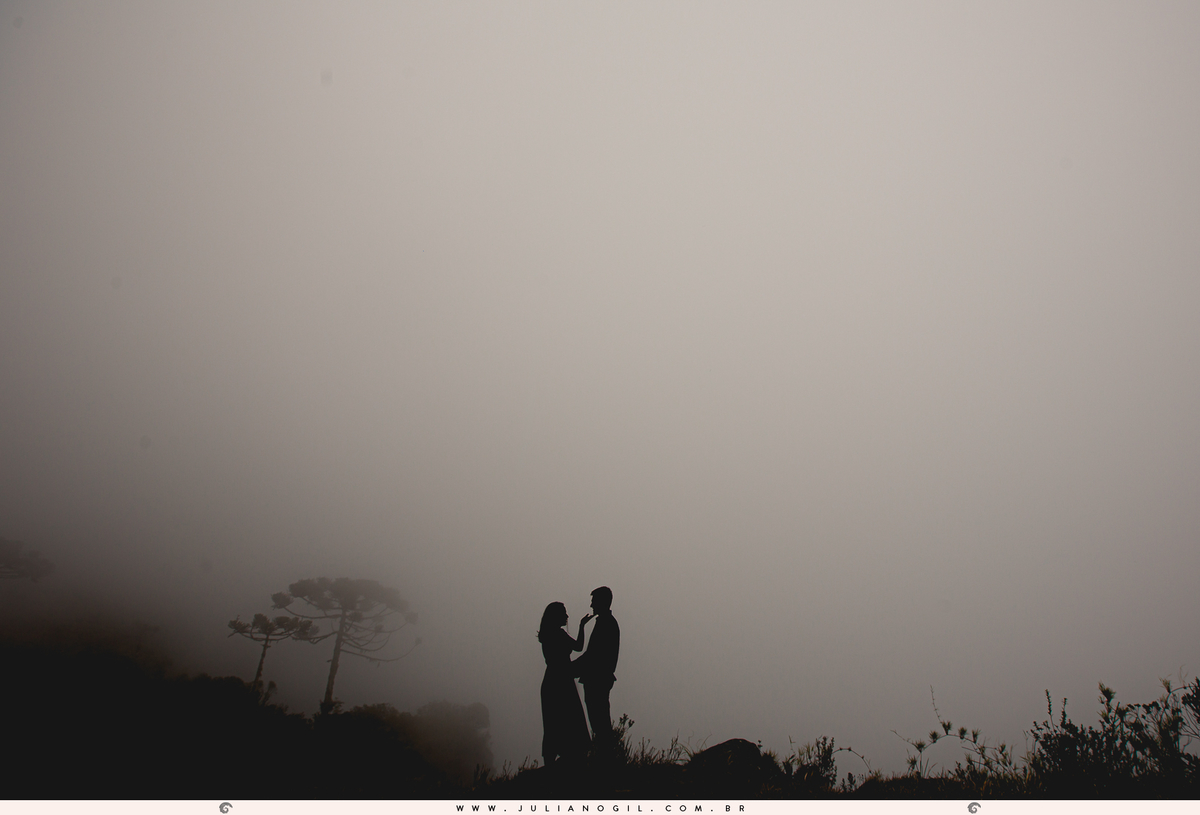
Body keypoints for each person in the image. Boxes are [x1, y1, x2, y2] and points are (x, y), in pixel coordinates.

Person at [537, 601, 592, 766]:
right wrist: (582, 626)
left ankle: (550, 761)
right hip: (562, 681)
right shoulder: (558, 634)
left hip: (552, 680)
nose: (567, 616)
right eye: (564, 613)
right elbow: (579, 647)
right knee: (569, 719)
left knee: (553, 722)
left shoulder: (548, 634)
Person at [572, 586, 620, 745]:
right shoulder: (606, 622)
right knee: (600, 724)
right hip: (599, 680)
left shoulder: (606, 624)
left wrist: (570, 669)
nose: (591, 605)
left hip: (597, 681)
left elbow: (593, 655)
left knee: (600, 724)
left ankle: (606, 756)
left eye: (594, 601)